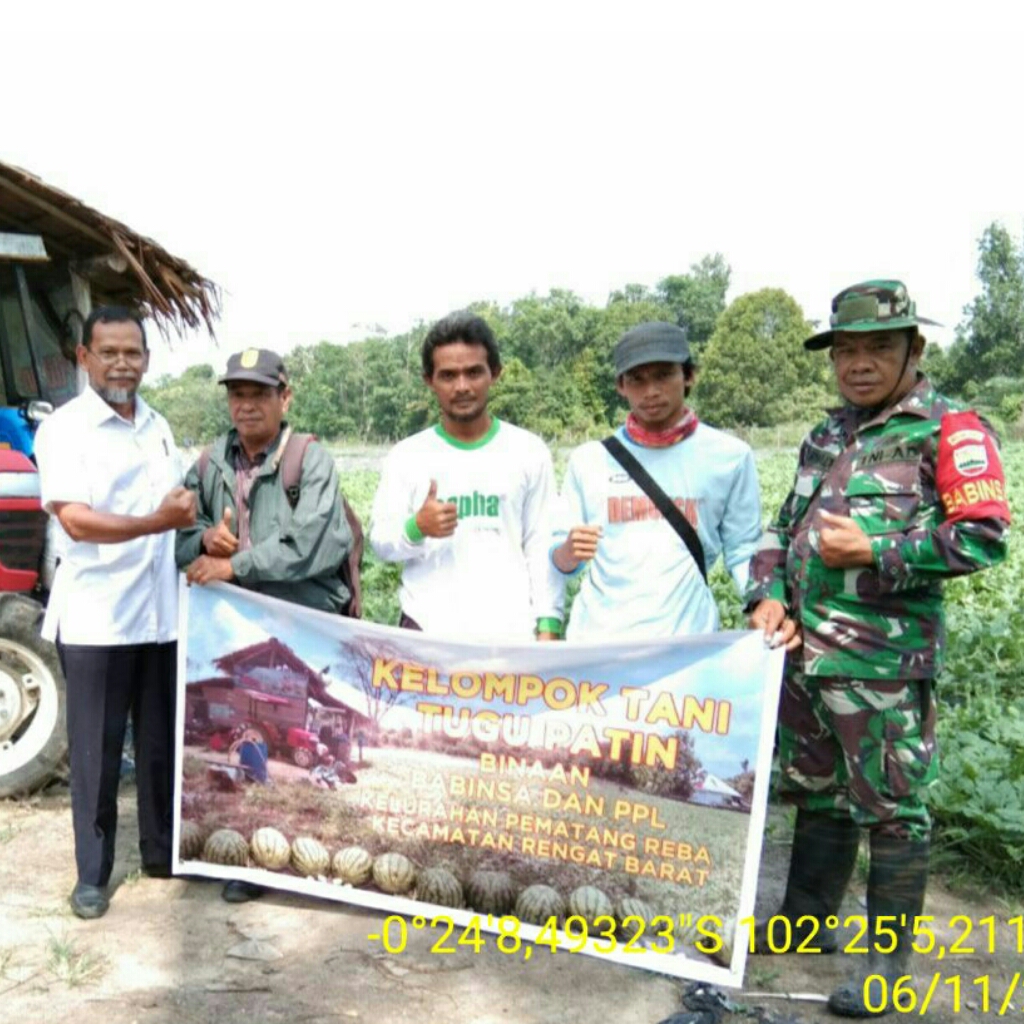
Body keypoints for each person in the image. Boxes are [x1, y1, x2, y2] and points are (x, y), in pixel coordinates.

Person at [745, 281, 1010, 1017]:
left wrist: (878, 549)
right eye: (847, 350)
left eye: (878, 348)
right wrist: (767, 594)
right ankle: (805, 927)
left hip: (882, 665)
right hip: (806, 656)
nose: (859, 363)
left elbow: (983, 536)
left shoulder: (948, 430)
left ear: (913, 349)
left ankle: (887, 973)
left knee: (893, 810)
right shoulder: (826, 434)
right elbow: (782, 528)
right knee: (817, 794)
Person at [34, 306, 197, 920]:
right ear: (85, 357)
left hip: (160, 614)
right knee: (96, 755)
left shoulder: (157, 425)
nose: (122, 364)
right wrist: (158, 521)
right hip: (97, 619)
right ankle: (92, 876)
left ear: (147, 360)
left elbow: (179, 509)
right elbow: (75, 520)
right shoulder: (66, 430)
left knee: (159, 745)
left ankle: (160, 853)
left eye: (133, 353)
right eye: (109, 352)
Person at [176, 347, 353, 901]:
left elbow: (311, 544)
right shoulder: (208, 463)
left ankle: (309, 859)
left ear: (285, 397)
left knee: (289, 755)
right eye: (237, 394)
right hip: (239, 627)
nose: (247, 405)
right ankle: (246, 860)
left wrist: (235, 564)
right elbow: (178, 534)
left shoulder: (309, 460)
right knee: (249, 751)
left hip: (300, 626)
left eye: (259, 394)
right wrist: (205, 539)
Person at [551, 321, 766, 640]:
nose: (651, 391)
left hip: (687, 646)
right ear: (620, 386)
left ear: (689, 375)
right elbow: (559, 558)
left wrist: (762, 602)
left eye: (664, 375)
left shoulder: (730, 456)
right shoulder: (589, 460)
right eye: (637, 379)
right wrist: (568, 552)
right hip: (599, 645)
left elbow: (744, 550)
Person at [370, 311, 563, 640]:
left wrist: (549, 625)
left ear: (495, 373)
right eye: (448, 375)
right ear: (429, 380)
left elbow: (540, 543)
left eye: (473, 372)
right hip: (427, 636)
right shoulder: (407, 456)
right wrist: (417, 527)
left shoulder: (529, 451)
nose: (461, 386)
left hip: (509, 637)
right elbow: (381, 542)